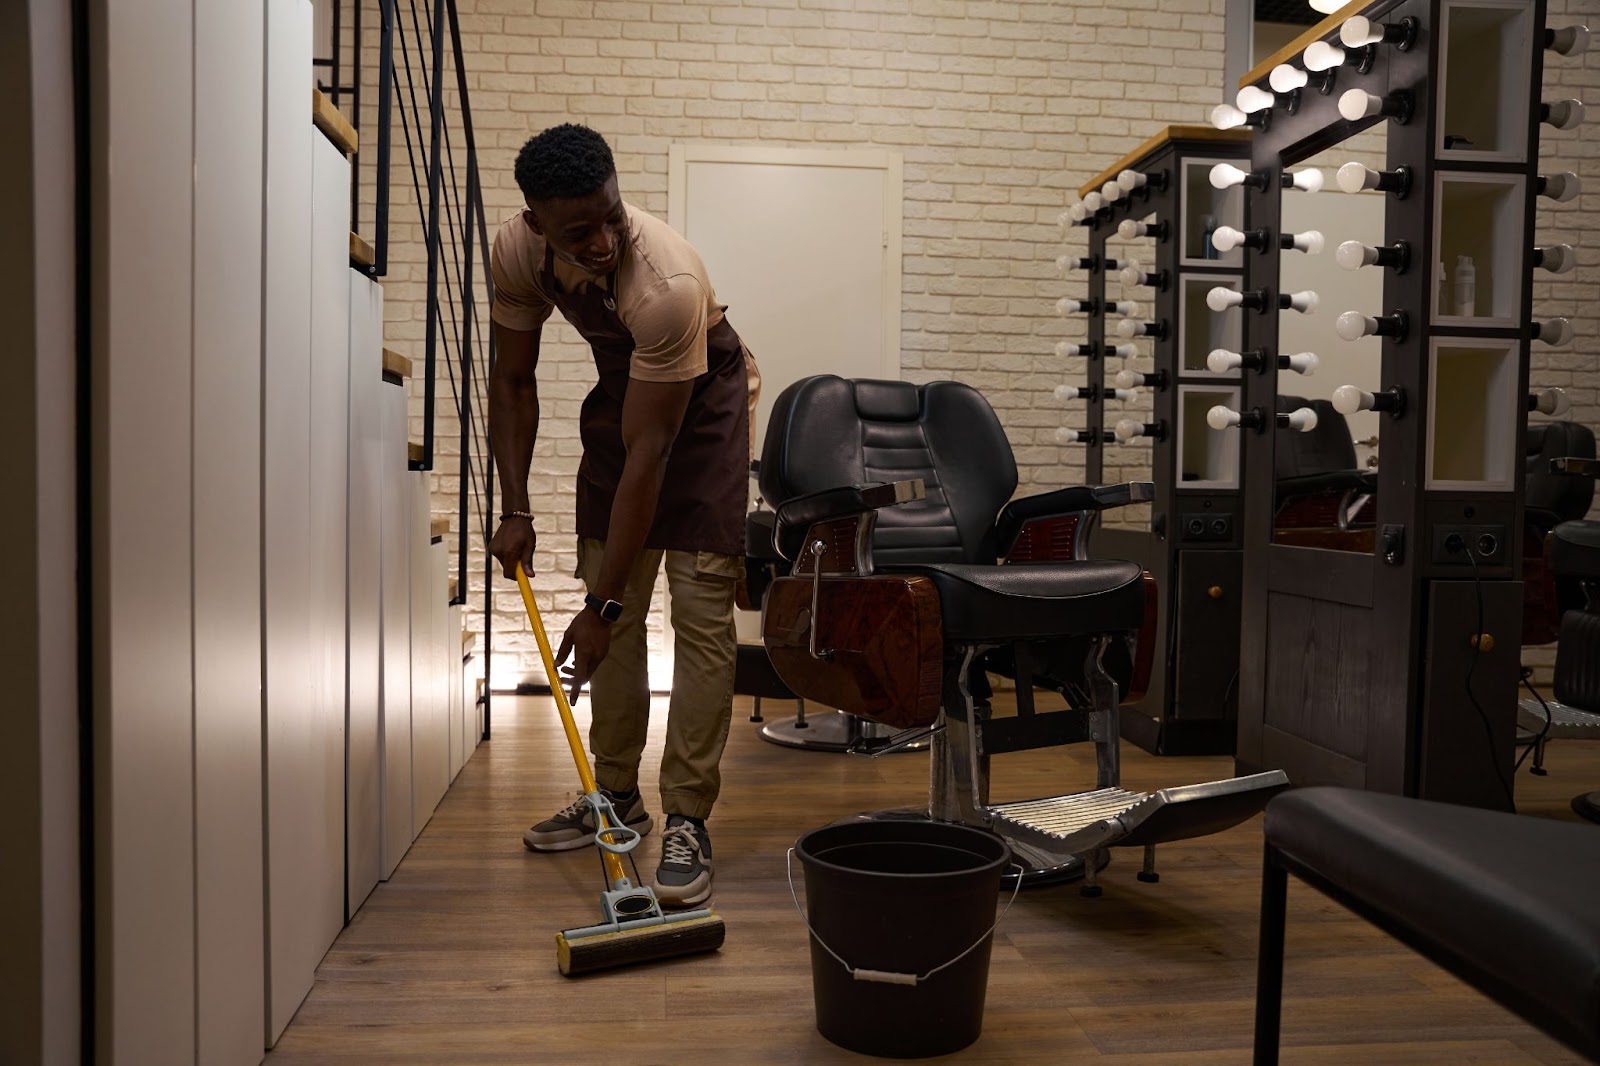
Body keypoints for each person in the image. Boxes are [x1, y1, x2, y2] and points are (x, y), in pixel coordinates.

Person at [487, 123, 759, 908]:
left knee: (699, 613)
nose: (603, 239)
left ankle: (686, 817)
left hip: (699, 409)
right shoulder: (516, 254)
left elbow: (654, 453)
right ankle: (615, 798)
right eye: (580, 230)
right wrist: (514, 506)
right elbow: (513, 383)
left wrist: (601, 607)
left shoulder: (663, 284)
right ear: (537, 224)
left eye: (612, 215)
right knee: (616, 606)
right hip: (625, 392)